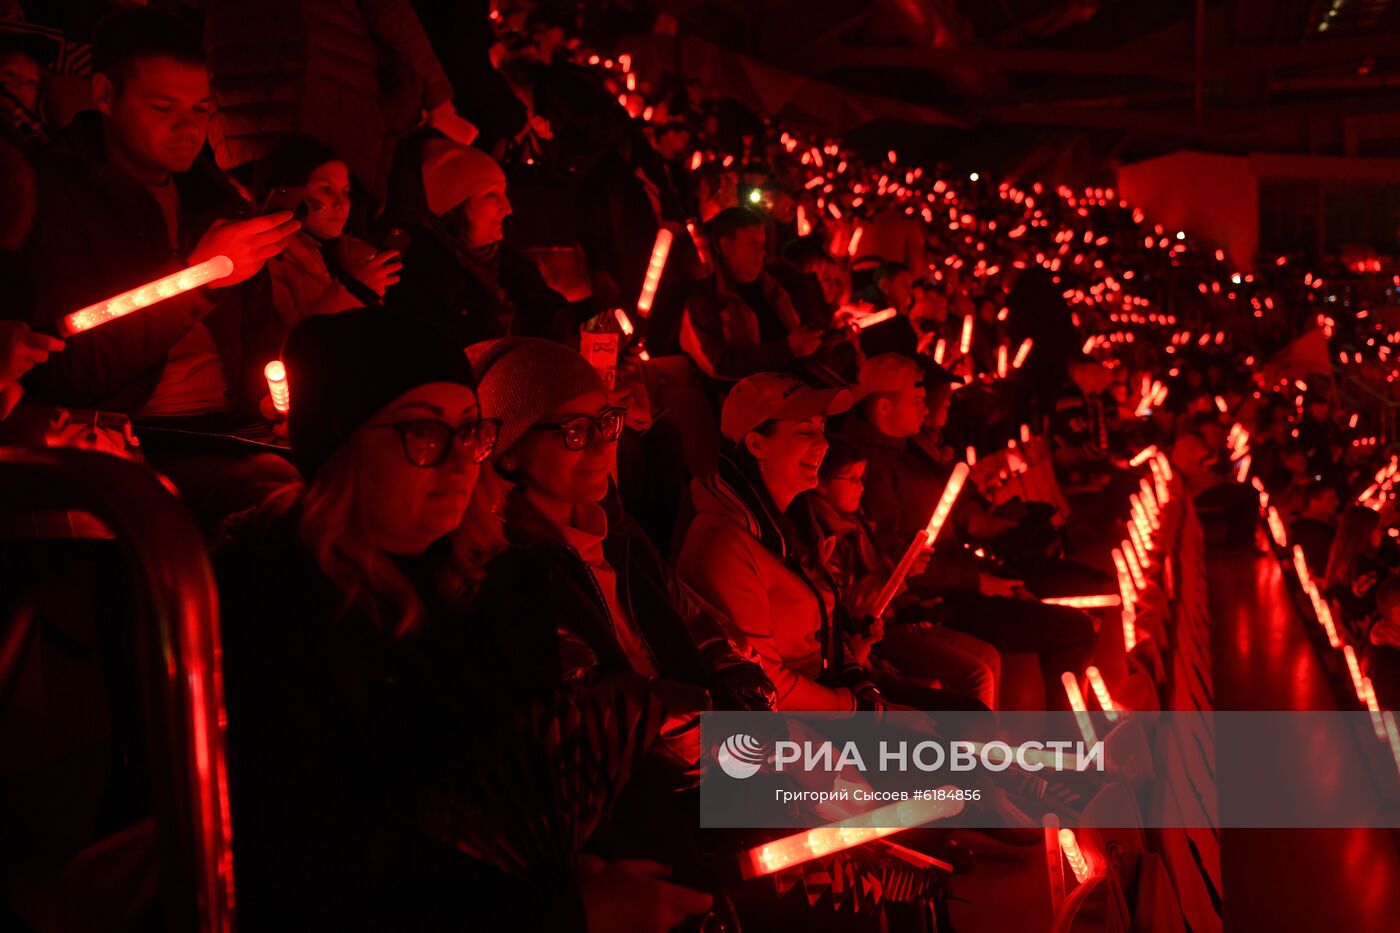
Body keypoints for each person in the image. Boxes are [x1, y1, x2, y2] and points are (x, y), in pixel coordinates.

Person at [215, 308, 709, 931]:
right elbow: (315, 876)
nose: (458, 461)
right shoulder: (276, 609)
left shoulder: (578, 553)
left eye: (469, 431)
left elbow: (697, 657)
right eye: (424, 434)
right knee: (863, 780)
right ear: (516, 449)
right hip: (699, 784)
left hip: (716, 768)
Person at [467, 336, 775, 712]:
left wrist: (735, 673)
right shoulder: (517, 570)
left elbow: (692, 618)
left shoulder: (612, 529)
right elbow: (590, 710)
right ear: (509, 450)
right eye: (574, 431)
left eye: (606, 421)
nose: (602, 446)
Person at [837, 353, 1097, 709]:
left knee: (1073, 605)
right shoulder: (872, 469)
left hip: (956, 583)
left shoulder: (907, 452)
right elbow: (898, 560)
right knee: (1068, 630)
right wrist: (978, 581)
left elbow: (951, 526)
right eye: (917, 401)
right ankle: (1064, 743)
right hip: (932, 602)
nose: (925, 409)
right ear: (884, 408)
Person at [812, 438, 1002, 709]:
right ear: (821, 483)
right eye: (851, 479)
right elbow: (854, 605)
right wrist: (899, 573)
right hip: (872, 637)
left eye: (862, 478)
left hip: (892, 619)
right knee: (977, 675)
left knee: (989, 656)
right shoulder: (828, 533)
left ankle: (989, 744)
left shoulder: (855, 520)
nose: (861, 487)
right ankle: (977, 750)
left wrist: (906, 571)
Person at [388, 135, 576, 346]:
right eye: (490, 195)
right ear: (453, 206)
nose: (508, 208)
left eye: (504, 193)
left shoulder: (514, 268)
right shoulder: (421, 278)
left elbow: (551, 316)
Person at [254, 135, 401, 329]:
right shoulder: (270, 260)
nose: (341, 204)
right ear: (291, 191)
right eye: (325, 189)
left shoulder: (356, 255)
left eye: (345, 191)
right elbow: (293, 346)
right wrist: (354, 291)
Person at [680, 206, 824, 383]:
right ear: (725, 246)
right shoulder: (705, 300)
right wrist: (787, 349)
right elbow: (719, 364)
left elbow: (803, 339)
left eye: (762, 245)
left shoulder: (776, 283)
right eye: (751, 244)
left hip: (798, 386)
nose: (760, 254)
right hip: (748, 401)